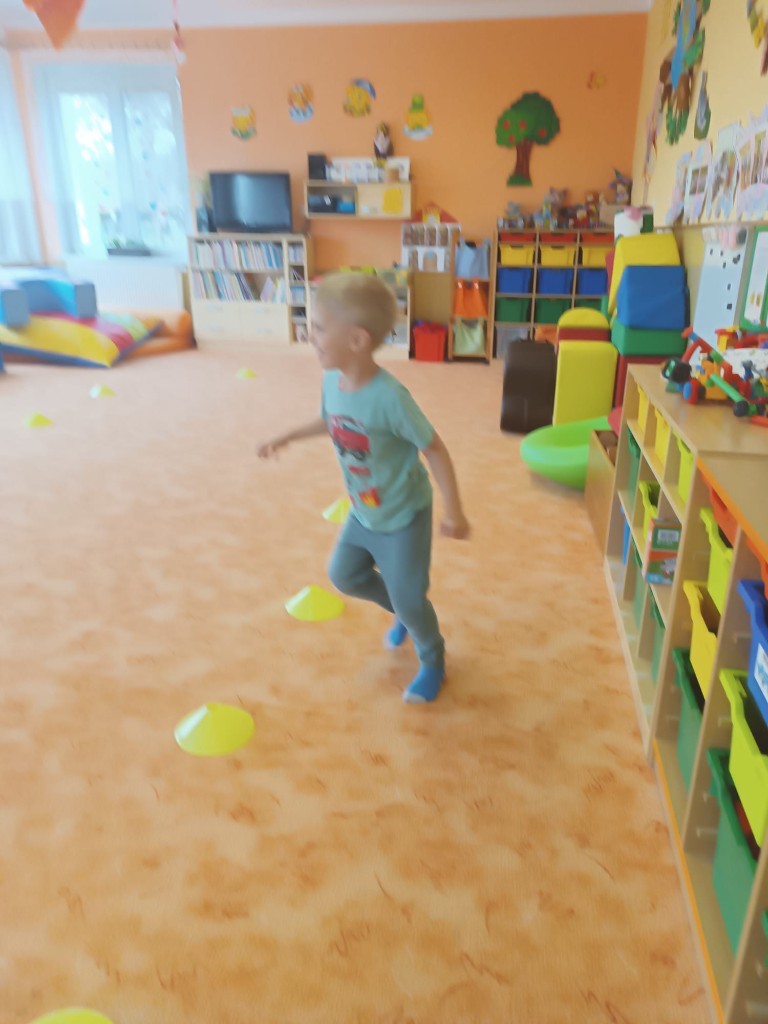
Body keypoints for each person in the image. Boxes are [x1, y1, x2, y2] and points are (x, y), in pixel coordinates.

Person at [257, 272, 470, 703]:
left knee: (410, 598)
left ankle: (433, 659)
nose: (310, 335)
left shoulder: (390, 397)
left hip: (404, 515)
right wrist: (288, 436)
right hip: (363, 510)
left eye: (319, 327)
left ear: (356, 340)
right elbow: (332, 421)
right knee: (344, 575)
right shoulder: (332, 380)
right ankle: (405, 612)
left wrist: (455, 511)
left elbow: (433, 448)